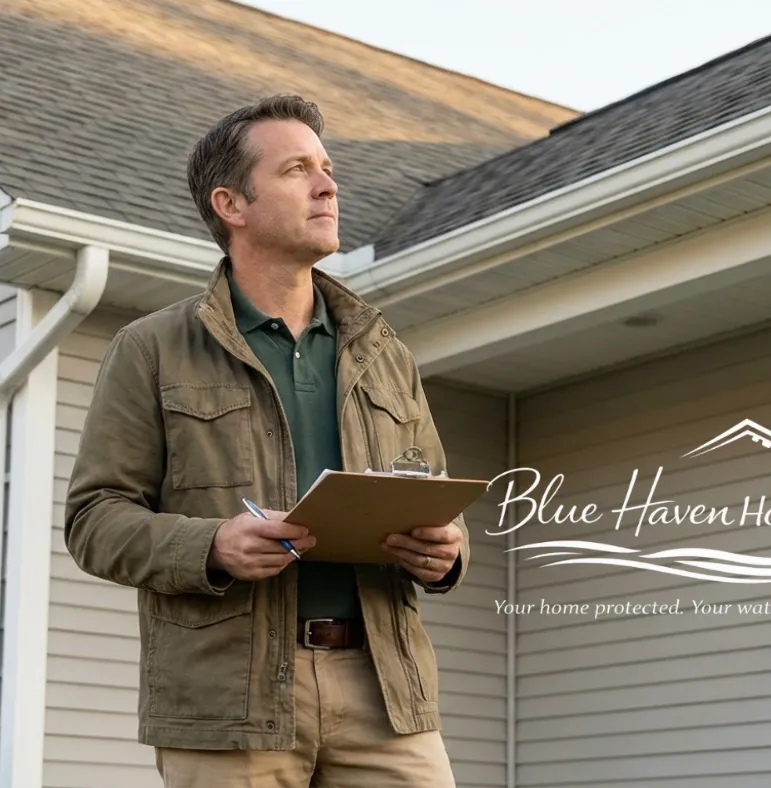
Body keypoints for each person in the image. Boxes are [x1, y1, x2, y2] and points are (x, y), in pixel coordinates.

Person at [63, 94, 469, 788]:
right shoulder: (152, 349)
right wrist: (211, 545)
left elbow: (431, 494)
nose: (327, 184)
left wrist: (447, 551)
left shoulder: (383, 350)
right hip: (230, 704)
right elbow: (93, 520)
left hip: (387, 695)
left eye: (328, 167)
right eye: (297, 169)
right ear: (232, 204)